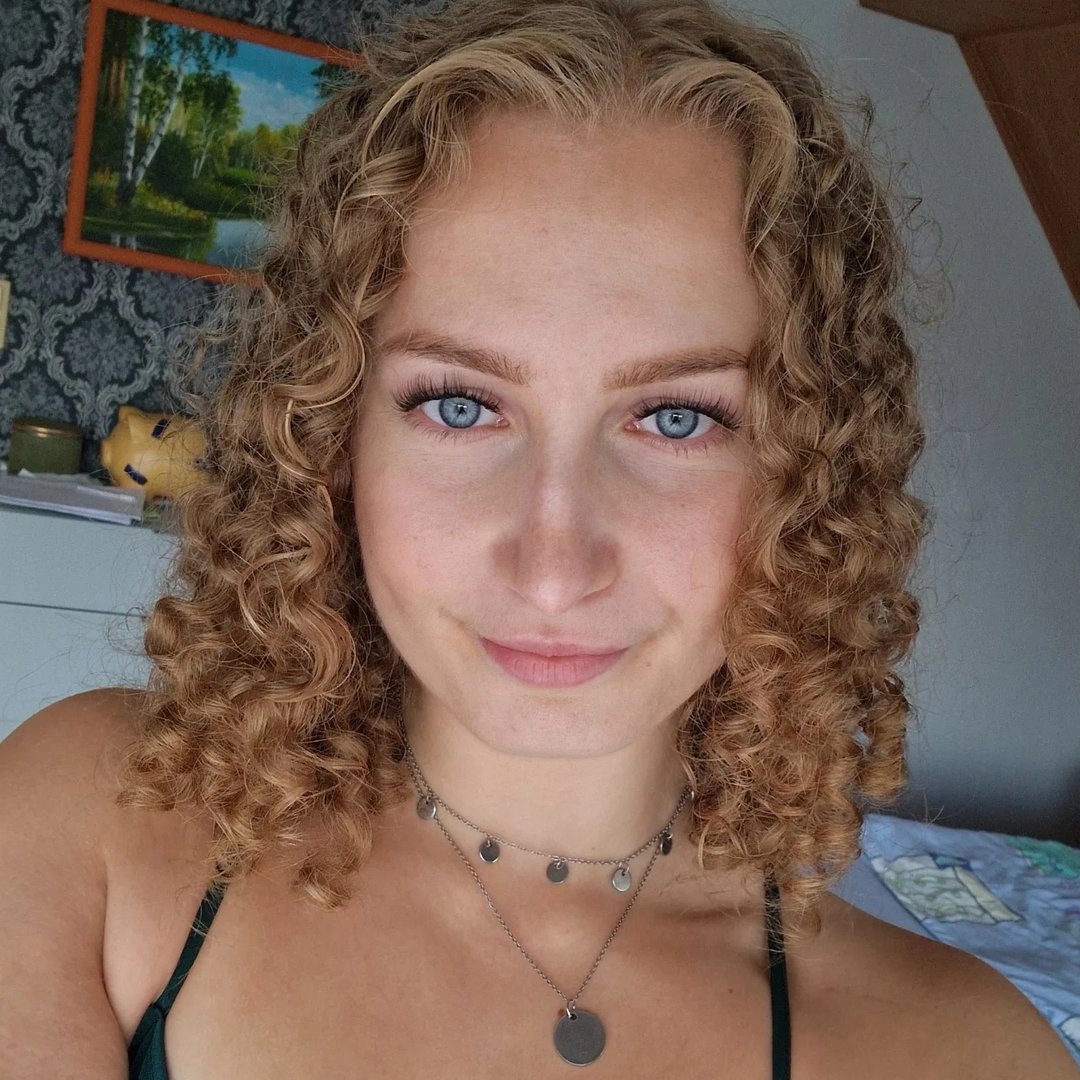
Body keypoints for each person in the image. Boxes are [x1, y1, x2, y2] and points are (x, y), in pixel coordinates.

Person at [1, 0, 1074, 1076]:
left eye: (677, 417)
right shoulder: (90, 821)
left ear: (808, 476)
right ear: (329, 439)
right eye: (459, 404)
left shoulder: (965, 1052)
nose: (554, 568)